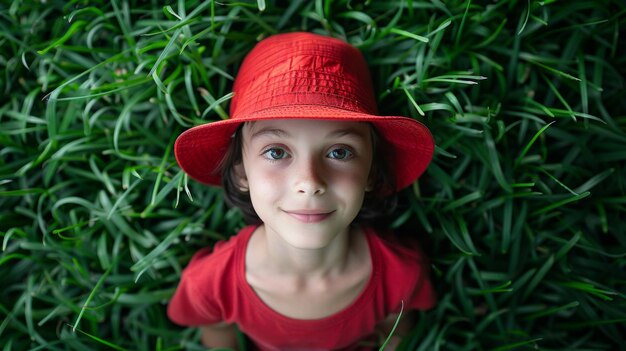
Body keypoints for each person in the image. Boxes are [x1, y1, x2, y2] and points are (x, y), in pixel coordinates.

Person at [168, 32, 436, 351]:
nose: (309, 182)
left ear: (371, 172)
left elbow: (396, 332)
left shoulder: (401, 275)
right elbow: (216, 333)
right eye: (277, 152)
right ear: (241, 172)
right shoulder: (210, 285)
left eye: (339, 152)